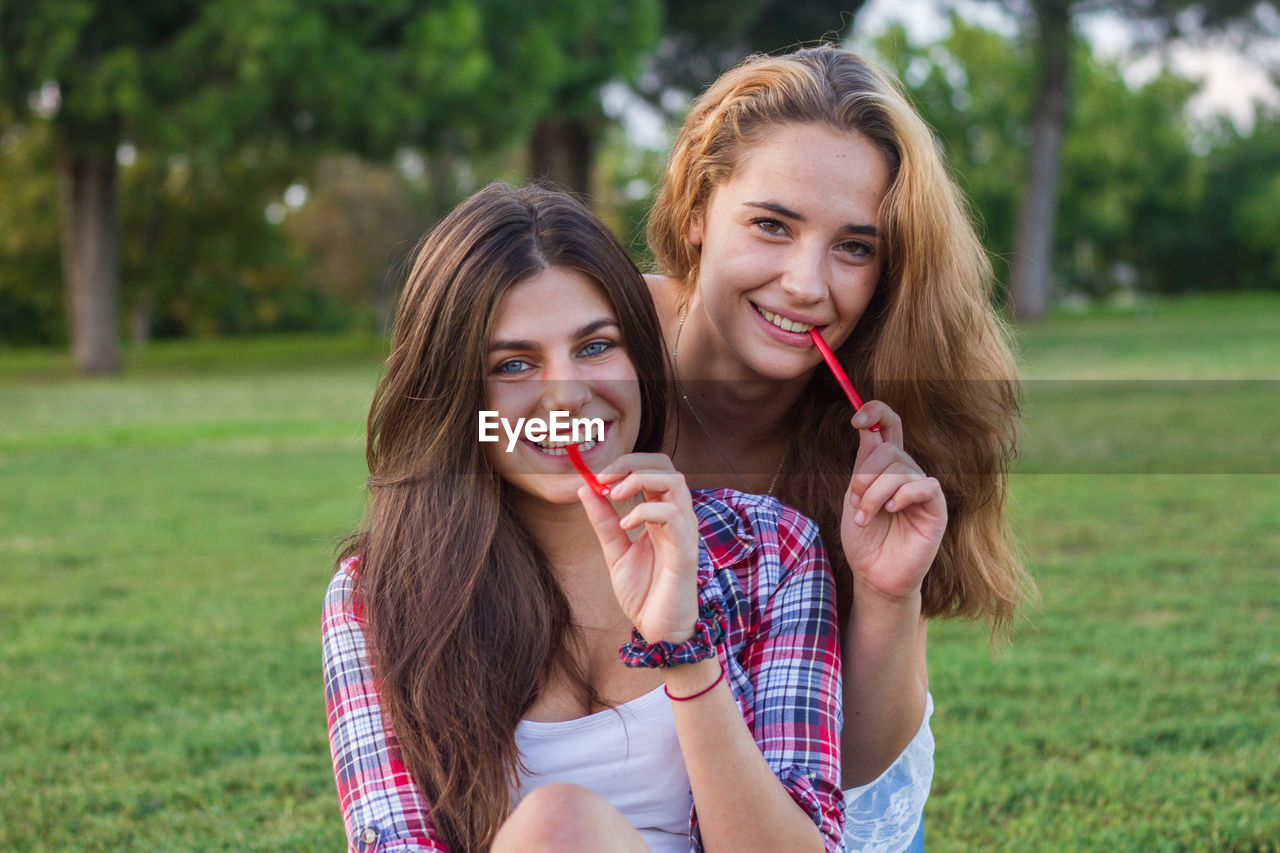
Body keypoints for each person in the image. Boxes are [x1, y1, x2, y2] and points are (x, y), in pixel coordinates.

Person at [323, 183, 845, 852]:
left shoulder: (769, 547)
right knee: (556, 826)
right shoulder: (377, 598)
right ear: (460, 402)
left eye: (596, 346)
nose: (566, 393)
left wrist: (683, 647)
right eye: (513, 364)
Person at [645, 45, 1036, 851]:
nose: (806, 283)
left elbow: (856, 771)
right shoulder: (591, 351)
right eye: (771, 225)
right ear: (695, 212)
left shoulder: (889, 414)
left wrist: (889, 594)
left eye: (854, 246)